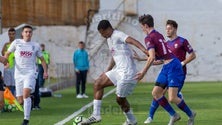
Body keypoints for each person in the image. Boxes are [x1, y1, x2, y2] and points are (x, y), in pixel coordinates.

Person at [81, 20, 149, 125]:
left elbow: (132, 40)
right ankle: (96, 115)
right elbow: (114, 56)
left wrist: (145, 51)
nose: (102, 35)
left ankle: (131, 120)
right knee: (98, 83)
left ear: (108, 29)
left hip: (127, 72)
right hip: (118, 70)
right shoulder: (109, 39)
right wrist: (107, 71)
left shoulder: (118, 34)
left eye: (102, 33)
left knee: (120, 99)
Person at [137, 14, 196, 125]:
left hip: (174, 66)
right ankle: (174, 115)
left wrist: (143, 72)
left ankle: (191, 114)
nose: (142, 29)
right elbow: (159, 56)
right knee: (156, 93)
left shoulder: (149, 37)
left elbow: (153, 57)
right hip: (167, 66)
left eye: (142, 27)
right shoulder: (158, 35)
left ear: (145, 25)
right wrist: (142, 58)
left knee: (172, 98)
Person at [4, 25, 48, 125]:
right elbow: (7, 53)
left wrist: (45, 72)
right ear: (22, 33)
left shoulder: (35, 45)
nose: (28, 33)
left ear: (31, 34)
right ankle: (30, 99)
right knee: (20, 101)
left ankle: (26, 120)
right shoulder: (16, 43)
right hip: (18, 74)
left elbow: (42, 60)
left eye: (30, 32)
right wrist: (6, 62)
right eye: (26, 32)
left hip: (30, 72)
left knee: (26, 94)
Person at [1, 27, 16, 96]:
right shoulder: (6, 44)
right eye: (10, 34)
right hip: (7, 67)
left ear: (15, 34)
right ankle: (9, 100)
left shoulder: (17, 44)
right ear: (8, 34)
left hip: (15, 67)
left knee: (15, 85)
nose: (11, 36)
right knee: (7, 85)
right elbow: (2, 53)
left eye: (13, 34)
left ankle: (15, 100)